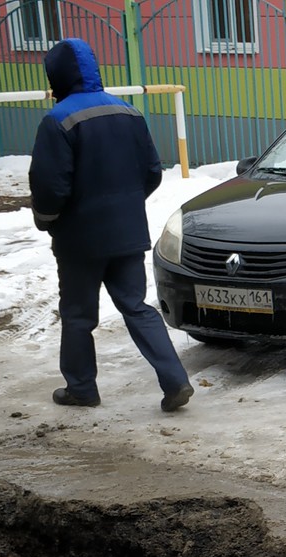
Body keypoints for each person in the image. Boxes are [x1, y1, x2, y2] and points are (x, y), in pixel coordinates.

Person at [28, 37, 193, 412]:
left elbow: (50, 185)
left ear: (56, 76)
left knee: (78, 315)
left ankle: (82, 388)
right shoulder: (128, 112)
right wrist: (126, 205)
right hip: (128, 232)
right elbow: (152, 171)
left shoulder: (58, 120)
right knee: (136, 306)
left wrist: (46, 219)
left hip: (79, 240)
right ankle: (175, 381)